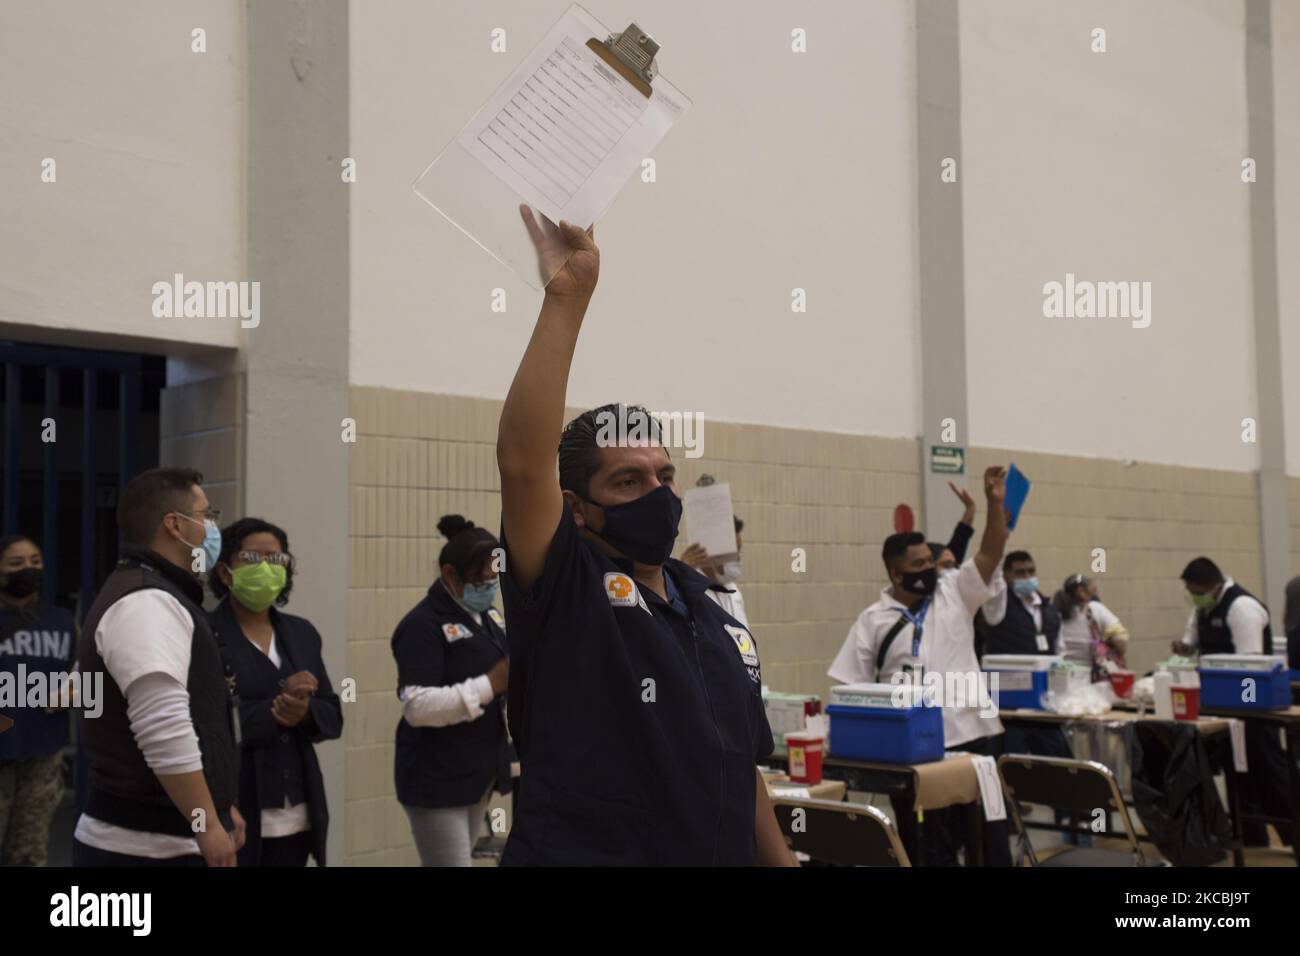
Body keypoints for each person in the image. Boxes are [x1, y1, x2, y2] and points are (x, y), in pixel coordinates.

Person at [495, 215, 791, 866]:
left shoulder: (711, 612)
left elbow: (743, 769)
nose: (657, 494)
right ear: (576, 509)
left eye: (664, 476)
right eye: (628, 481)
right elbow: (522, 462)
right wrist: (567, 300)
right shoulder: (568, 588)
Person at [829, 466, 1013, 866]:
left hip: (971, 738)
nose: (929, 569)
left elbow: (992, 551)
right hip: (909, 750)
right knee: (926, 849)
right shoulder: (873, 620)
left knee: (987, 844)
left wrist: (995, 504)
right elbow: (849, 689)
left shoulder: (954, 591)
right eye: (917, 565)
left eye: (930, 561)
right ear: (896, 574)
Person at [72, 467, 244, 866]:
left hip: (162, 840)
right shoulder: (145, 602)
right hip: (142, 849)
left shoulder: (158, 594)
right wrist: (206, 825)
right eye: (206, 514)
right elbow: (163, 727)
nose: (212, 527)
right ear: (174, 524)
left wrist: (217, 806)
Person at [208, 518, 342, 866]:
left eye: (276, 559)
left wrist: (306, 712)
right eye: (252, 559)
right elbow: (206, 726)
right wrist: (276, 709)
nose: (266, 568)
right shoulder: (205, 634)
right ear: (225, 572)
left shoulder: (301, 633)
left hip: (298, 814)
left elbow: (332, 713)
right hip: (238, 811)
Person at [391, 515, 510, 867]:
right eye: (480, 580)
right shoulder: (421, 626)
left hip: (477, 770)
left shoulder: (488, 616)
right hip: (436, 777)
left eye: (494, 578)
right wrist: (490, 684)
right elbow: (417, 706)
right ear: (450, 576)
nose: (488, 586)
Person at [1174, 556, 1293, 846]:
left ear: (1212, 586)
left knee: (1269, 773)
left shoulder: (1242, 608)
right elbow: (1191, 642)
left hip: (1252, 702)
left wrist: (1245, 712)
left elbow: (1248, 665)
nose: (1194, 598)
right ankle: (1251, 839)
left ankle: (1293, 834)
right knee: (1237, 774)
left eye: (1196, 592)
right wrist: (1184, 649)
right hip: (1221, 706)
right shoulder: (1203, 607)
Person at [0, 535, 75, 865]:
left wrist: (75, 693)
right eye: (16, 563)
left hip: (43, 754)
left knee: (29, 854)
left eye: (34, 561)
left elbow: (89, 681)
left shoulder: (61, 622)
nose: (27, 569)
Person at [1053, 573, 1129, 674]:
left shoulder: (1056, 613)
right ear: (1081, 591)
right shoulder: (1094, 609)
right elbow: (1121, 640)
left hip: (1063, 675)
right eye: (1092, 588)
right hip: (1093, 677)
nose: (1094, 592)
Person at [681, 514, 748, 628]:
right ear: (712, 549)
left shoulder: (733, 591)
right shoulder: (688, 591)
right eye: (733, 552)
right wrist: (679, 573)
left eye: (738, 552)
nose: (737, 559)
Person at [929, 481, 977, 575]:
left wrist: (971, 508)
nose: (952, 571)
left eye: (955, 566)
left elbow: (961, 536)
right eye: (946, 566)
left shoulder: (953, 582)